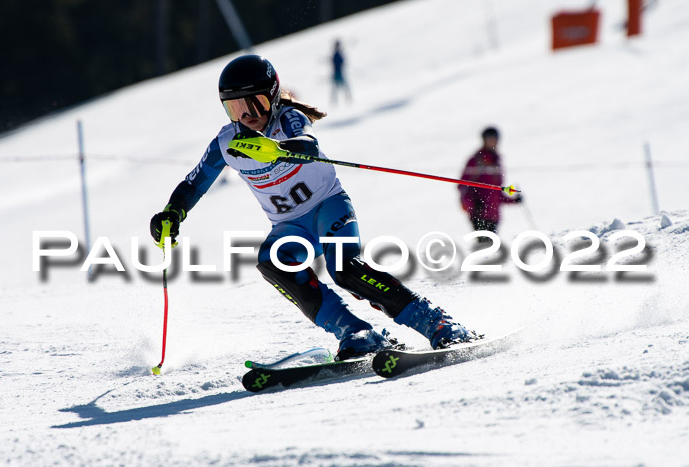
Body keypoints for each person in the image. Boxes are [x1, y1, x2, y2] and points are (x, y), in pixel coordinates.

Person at [150, 55, 476, 360]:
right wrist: (172, 213)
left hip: (328, 208)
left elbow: (307, 143)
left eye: (255, 102)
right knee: (270, 262)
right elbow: (194, 182)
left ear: (274, 96)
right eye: (235, 108)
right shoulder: (227, 143)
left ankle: (438, 323)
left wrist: (274, 149)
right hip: (291, 227)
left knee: (345, 270)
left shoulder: (289, 118)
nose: (247, 115)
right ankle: (356, 332)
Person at [458, 127, 522, 241]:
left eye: (495, 139)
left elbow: (497, 192)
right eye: (489, 139)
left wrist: (513, 200)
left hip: (493, 214)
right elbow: (462, 186)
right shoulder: (476, 160)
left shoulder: (497, 161)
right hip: (479, 213)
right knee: (486, 246)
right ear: (483, 140)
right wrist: (472, 204)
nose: (493, 141)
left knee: (490, 247)